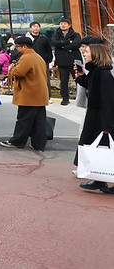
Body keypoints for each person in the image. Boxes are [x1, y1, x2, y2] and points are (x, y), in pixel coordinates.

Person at [73, 43, 114, 192]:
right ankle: (99, 179)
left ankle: (100, 180)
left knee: (105, 149)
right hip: (97, 117)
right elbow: (93, 89)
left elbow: (108, 100)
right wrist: (81, 77)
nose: (84, 53)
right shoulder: (97, 72)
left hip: (102, 118)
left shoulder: (103, 74)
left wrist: (107, 125)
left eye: (87, 51)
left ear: (96, 54)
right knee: (99, 149)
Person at [1, 36, 49, 151]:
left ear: (25, 47)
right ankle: (38, 144)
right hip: (39, 94)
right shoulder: (37, 57)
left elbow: (19, 72)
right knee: (39, 121)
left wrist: (12, 68)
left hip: (29, 94)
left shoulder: (27, 57)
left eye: (17, 47)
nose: (16, 49)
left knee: (23, 120)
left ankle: (17, 141)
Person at [53, 17, 82, 105]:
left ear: (69, 25)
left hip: (75, 60)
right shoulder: (56, 34)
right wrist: (69, 42)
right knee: (63, 81)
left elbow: (77, 44)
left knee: (79, 79)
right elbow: (55, 43)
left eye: (65, 24)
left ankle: (81, 97)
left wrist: (63, 46)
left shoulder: (75, 34)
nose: (63, 25)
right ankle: (65, 98)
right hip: (62, 61)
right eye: (61, 24)